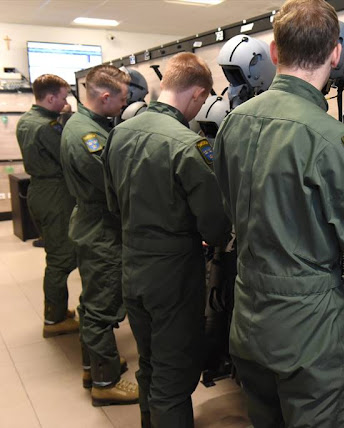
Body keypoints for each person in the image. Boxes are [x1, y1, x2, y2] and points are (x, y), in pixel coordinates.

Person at [212, 1, 344, 426]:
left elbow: (230, 208)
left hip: (249, 319)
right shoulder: (332, 140)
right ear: (335, 54)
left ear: (273, 52)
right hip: (305, 334)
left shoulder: (234, 123)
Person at [103, 53, 229, 428]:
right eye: (203, 101)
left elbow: (112, 205)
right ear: (197, 94)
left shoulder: (119, 133)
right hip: (173, 278)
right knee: (173, 383)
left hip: (133, 270)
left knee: (151, 367)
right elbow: (216, 227)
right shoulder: (189, 146)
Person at [60, 65, 138, 406]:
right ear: (105, 97)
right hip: (101, 230)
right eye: (121, 99)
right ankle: (105, 382)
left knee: (93, 301)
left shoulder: (87, 125)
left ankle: (94, 365)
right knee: (101, 307)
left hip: (93, 224)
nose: (124, 105)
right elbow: (114, 184)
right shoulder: (86, 136)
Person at [16, 74, 78, 337]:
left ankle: (58, 309)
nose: (65, 103)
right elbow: (67, 156)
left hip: (39, 191)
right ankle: (54, 319)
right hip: (55, 194)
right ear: (51, 97)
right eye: (63, 97)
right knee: (60, 259)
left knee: (55, 252)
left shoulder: (26, 120)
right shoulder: (47, 127)